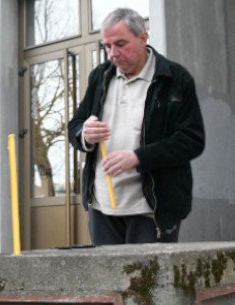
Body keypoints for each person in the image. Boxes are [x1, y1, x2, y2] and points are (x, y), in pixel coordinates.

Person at [68, 7, 205, 245]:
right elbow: (75, 126)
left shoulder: (176, 79)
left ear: (143, 37)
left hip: (152, 210)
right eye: (107, 46)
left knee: (148, 282)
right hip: (102, 208)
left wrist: (138, 157)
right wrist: (84, 134)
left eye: (120, 44)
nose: (112, 54)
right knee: (108, 282)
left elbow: (192, 140)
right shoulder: (99, 76)